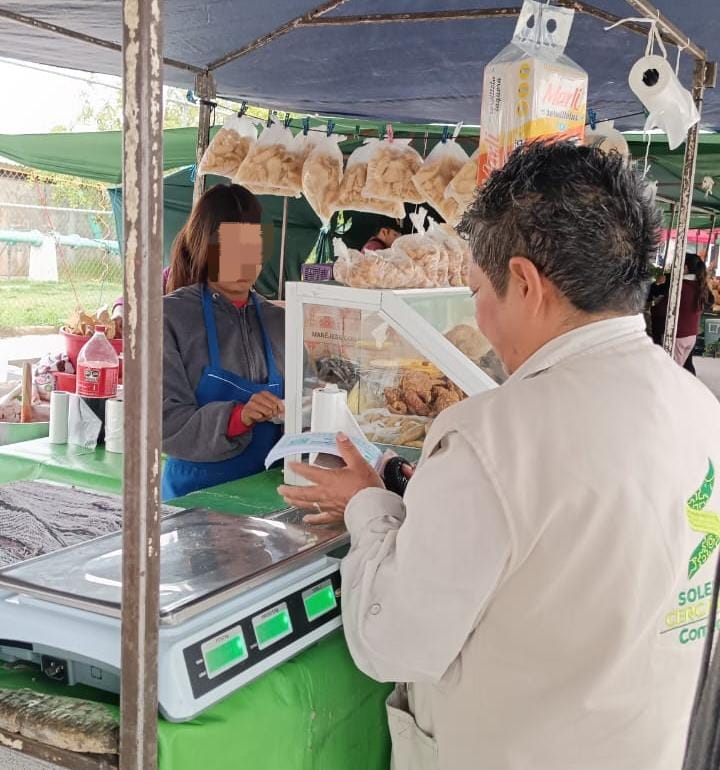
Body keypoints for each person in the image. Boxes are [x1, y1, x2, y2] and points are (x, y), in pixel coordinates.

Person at [278, 142, 720, 770]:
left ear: (525, 282)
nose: (479, 318)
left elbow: (391, 641)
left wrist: (369, 508)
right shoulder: (700, 409)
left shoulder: (494, 438)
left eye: (478, 290)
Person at [162, 183, 284, 500]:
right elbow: (162, 421)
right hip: (193, 499)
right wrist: (236, 417)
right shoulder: (169, 317)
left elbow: (310, 402)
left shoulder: (280, 321)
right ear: (205, 247)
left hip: (268, 496)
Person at [650, 253, 714, 373]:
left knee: (672, 371)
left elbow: (662, 309)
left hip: (678, 334)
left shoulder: (680, 286)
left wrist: (654, 307)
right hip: (691, 334)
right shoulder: (700, 285)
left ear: (685, 267)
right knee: (683, 368)